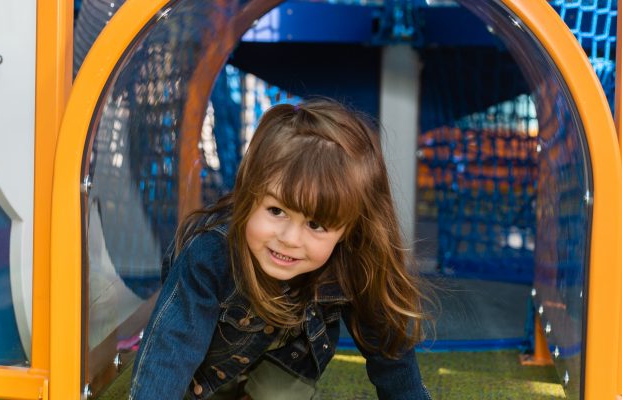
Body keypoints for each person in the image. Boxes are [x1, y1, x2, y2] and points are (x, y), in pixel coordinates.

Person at [128, 98, 432, 399]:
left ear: (347, 230)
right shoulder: (210, 254)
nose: (289, 238)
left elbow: (388, 351)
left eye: (315, 225)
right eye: (276, 211)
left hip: (286, 364)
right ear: (249, 195)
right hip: (206, 373)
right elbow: (172, 347)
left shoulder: (353, 262)